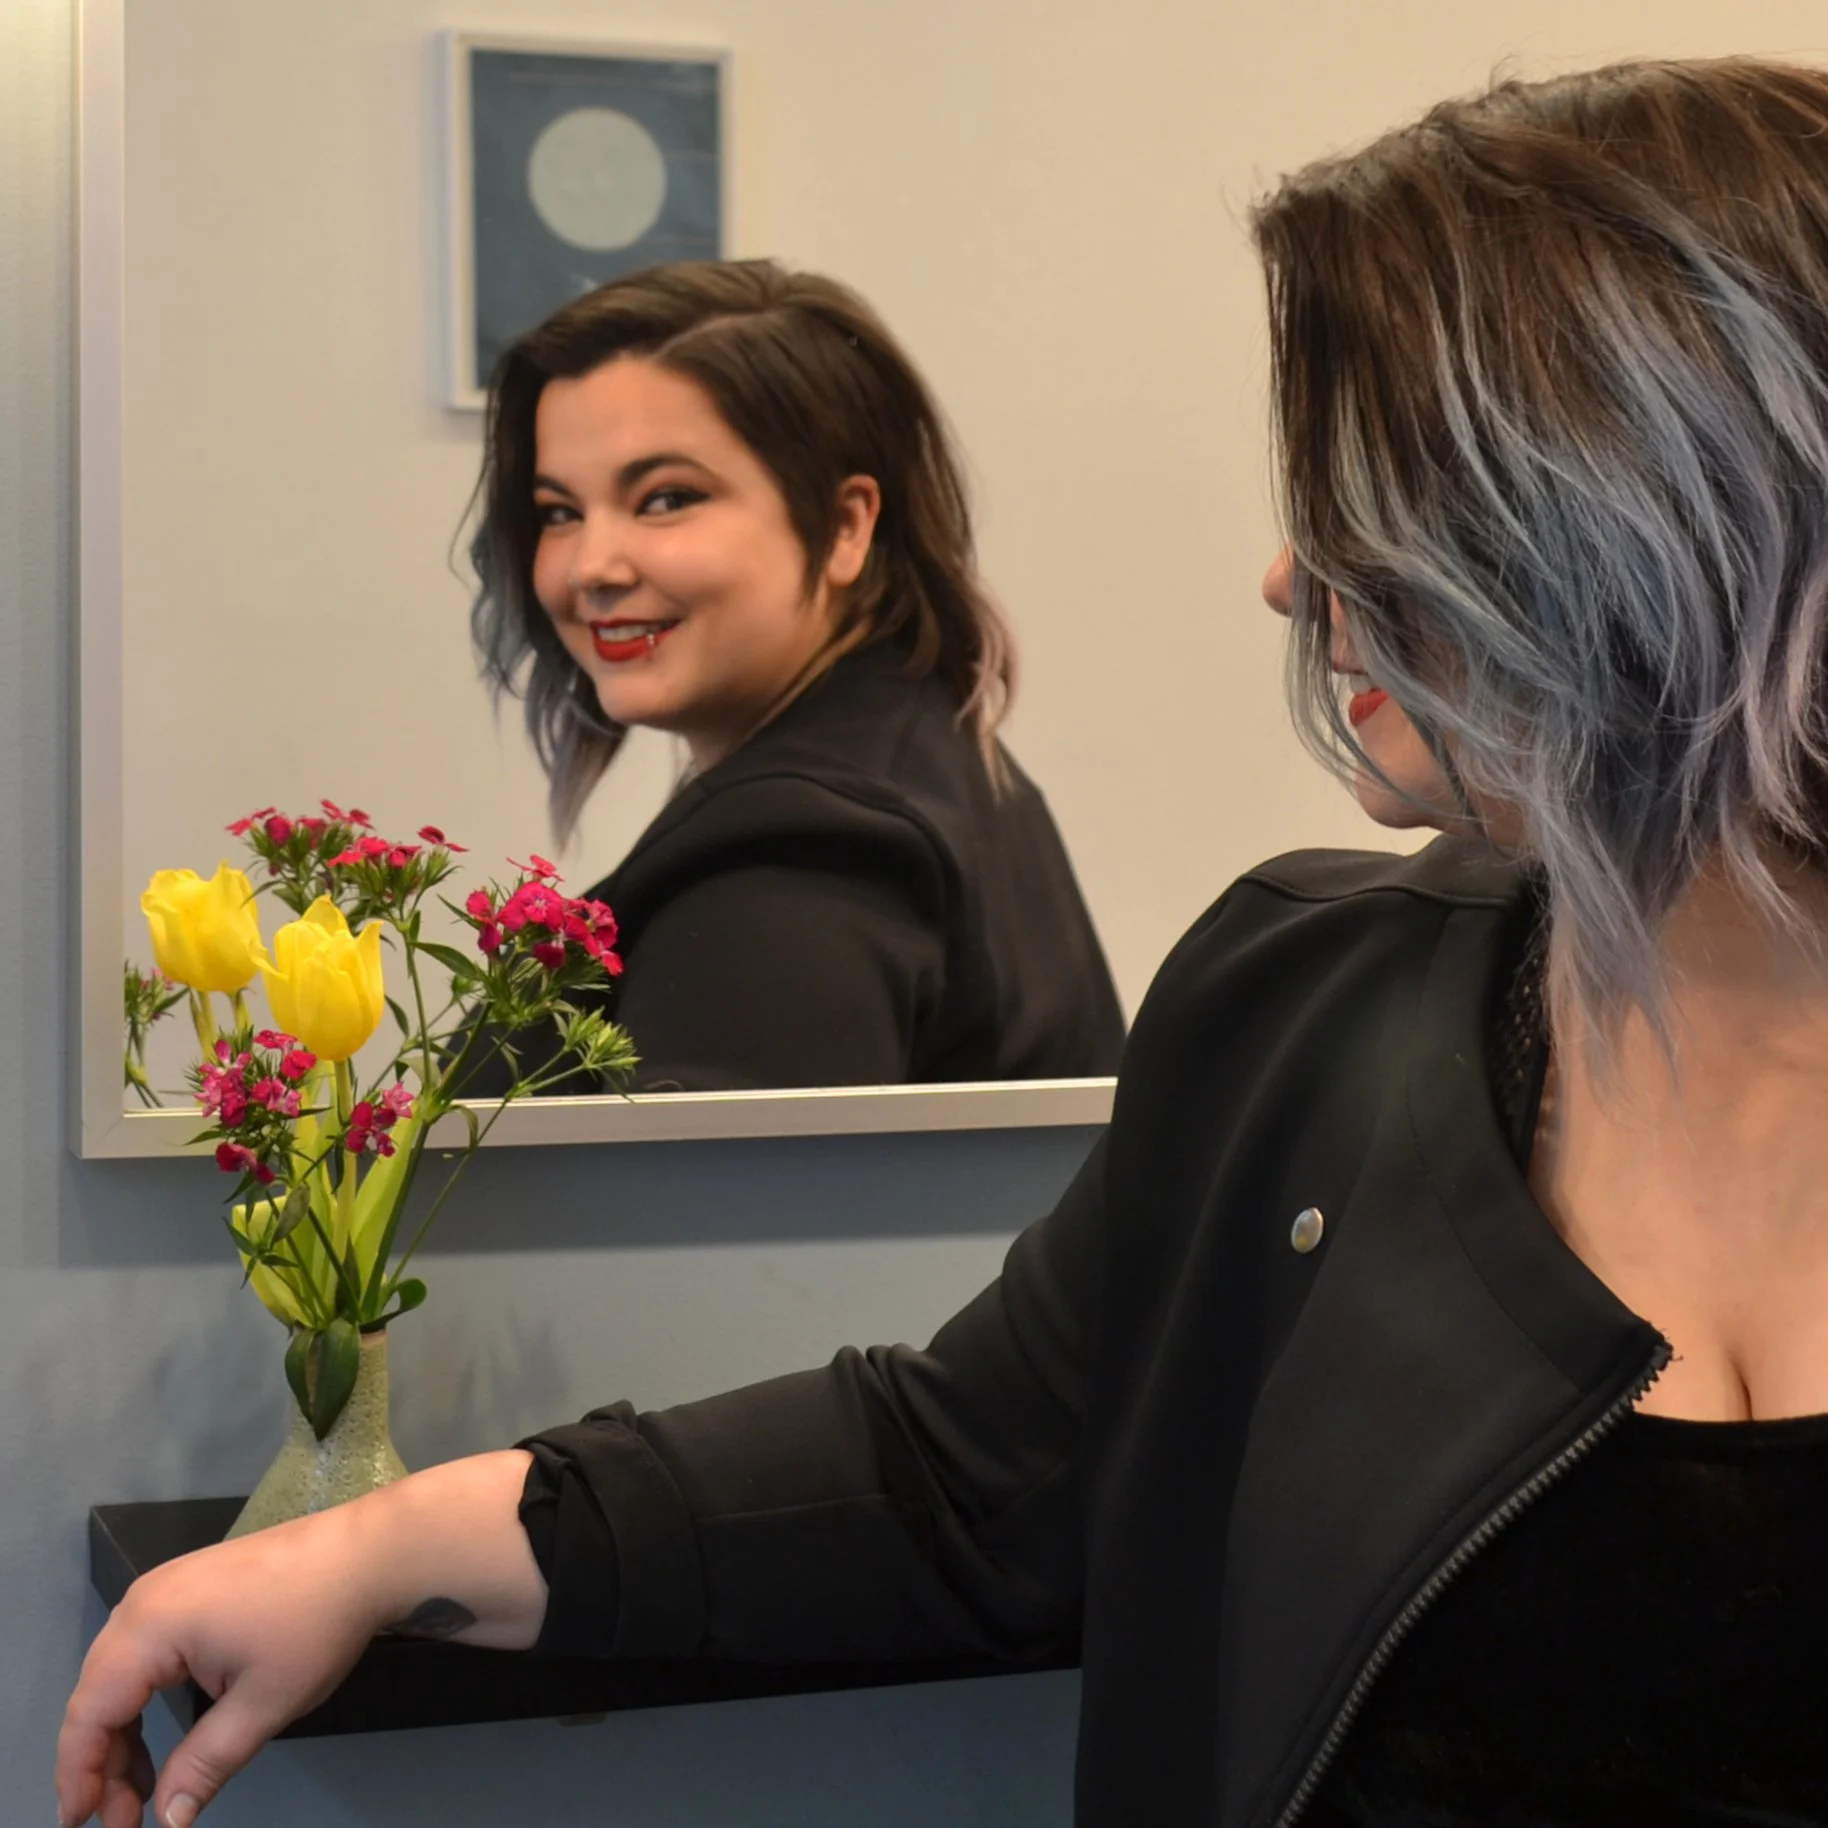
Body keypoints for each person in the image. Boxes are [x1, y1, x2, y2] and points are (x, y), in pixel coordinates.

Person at [58, 55, 1828, 1828]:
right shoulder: (1303, 1006)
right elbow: (952, 1470)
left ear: (1646, 523)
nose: (1289, 581)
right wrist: (378, 1542)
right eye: (555, 508)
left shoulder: (824, 843)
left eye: (1377, 496)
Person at [460, 261, 1125, 1092]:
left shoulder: (803, 855)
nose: (591, 566)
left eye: (665, 499)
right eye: (560, 512)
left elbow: (708, 1218)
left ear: (846, 525)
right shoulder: (912, 753)